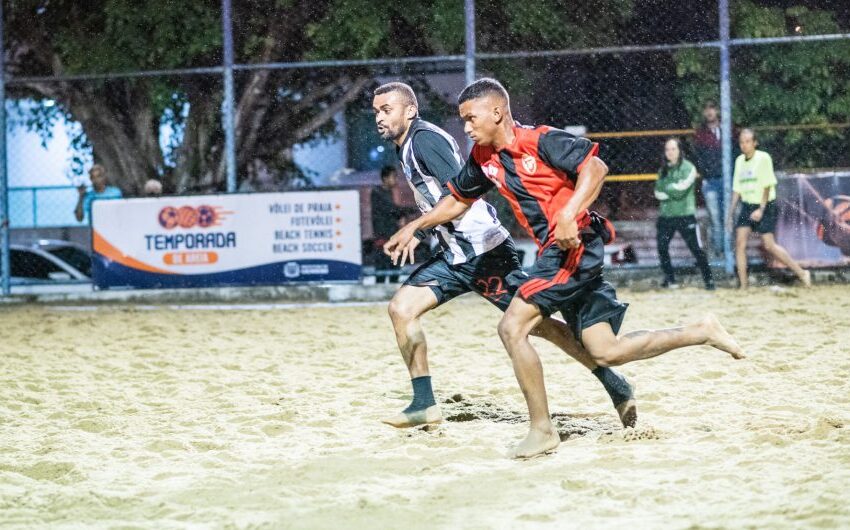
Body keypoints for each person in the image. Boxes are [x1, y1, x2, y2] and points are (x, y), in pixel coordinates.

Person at [385, 78, 744, 459]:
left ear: (497, 112)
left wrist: (570, 213)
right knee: (606, 350)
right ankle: (701, 331)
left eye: (471, 119)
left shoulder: (539, 140)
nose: (467, 128)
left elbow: (596, 168)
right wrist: (415, 226)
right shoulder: (483, 158)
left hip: (573, 248)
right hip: (556, 252)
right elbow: (456, 201)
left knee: (512, 327)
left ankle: (542, 430)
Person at [372, 81, 637, 431]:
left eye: (386, 109)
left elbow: (460, 194)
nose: (379, 117)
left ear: (409, 110)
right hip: (454, 256)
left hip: (484, 253)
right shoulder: (406, 145)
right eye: (375, 111)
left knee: (537, 326)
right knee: (401, 309)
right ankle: (425, 404)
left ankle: (613, 382)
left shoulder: (424, 140)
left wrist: (417, 226)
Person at [726, 129, 811, 289]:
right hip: (747, 205)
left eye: (747, 141)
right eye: (741, 142)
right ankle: (743, 286)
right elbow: (737, 189)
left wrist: (761, 209)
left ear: (755, 143)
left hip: (764, 204)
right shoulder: (739, 161)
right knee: (740, 243)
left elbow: (767, 185)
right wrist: (730, 214)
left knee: (769, 245)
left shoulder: (763, 158)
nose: (744, 145)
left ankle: (802, 273)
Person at [654, 138, 715, 290]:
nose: (670, 152)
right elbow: (657, 192)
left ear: (680, 150)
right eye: (667, 149)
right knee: (662, 247)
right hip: (666, 216)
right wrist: (672, 188)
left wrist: (668, 189)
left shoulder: (689, 168)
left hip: (684, 215)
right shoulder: (663, 170)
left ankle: (709, 280)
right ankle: (670, 279)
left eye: (673, 149)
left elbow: (681, 190)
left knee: (695, 248)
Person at [693, 100, 724, 257]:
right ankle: (719, 252)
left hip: (726, 180)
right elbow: (699, 158)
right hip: (710, 180)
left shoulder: (727, 129)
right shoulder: (701, 134)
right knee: (715, 218)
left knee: (728, 216)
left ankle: (727, 252)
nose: (710, 112)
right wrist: (705, 176)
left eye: (712, 108)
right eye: (707, 109)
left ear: (718, 110)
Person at [371, 166, 407, 283]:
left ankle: (392, 288)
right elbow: (390, 209)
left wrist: (401, 214)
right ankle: (380, 290)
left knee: (394, 264)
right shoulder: (376, 192)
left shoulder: (388, 192)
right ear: (385, 178)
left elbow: (393, 212)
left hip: (392, 233)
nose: (395, 180)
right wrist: (407, 211)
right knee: (382, 267)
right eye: (393, 177)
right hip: (382, 235)